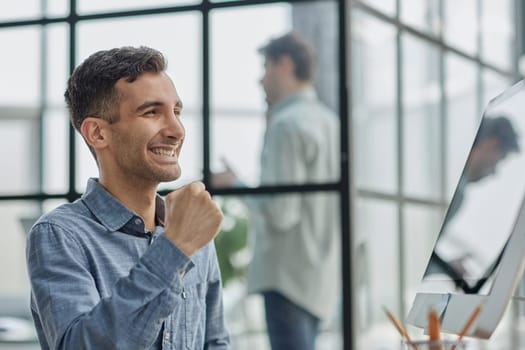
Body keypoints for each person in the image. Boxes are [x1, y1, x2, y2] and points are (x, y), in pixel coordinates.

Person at [26, 46, 230, 349]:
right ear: (97, 133)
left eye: (176, 111)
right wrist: (174, 249)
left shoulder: (190, 230)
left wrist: (181, 241)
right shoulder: (60, 235)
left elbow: (216, 342)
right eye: (151, 112)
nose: (177, 130)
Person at [212, 32, 340, 350]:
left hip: (288, 278)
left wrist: (233, 184)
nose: (260, 81)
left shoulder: (286, 124)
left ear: (284, 65)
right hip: (321, 276)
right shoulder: (330, 122)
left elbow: (281, 212)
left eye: (265, 68)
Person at [424, 115, 520, 292]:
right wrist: (447, 270)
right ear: (491, 143)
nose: (493, 173)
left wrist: (447, 267)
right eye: (499, 160)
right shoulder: (454, 193)